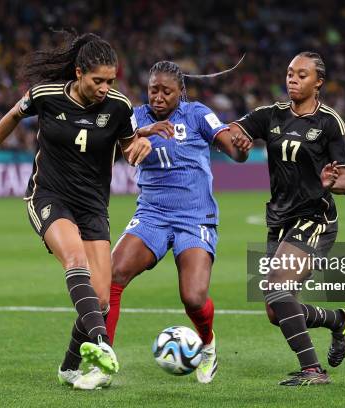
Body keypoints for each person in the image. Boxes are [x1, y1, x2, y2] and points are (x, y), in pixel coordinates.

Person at [0, 32, 152, 391]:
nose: (104, 88)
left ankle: (69, 368)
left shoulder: (119, 107)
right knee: (75, 260)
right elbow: (11, 117)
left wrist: (139, 148)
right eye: (97, 80)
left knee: (100, 299)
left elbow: (129, 148)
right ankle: (101, 345)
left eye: (110, 81)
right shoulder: (46, 95)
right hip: (49, 196)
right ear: (80, 72)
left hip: (93, 206)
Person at [105, 60, 253, 384]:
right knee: (112, 274)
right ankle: (102, 359)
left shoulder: (198, 114)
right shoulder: (135, 117)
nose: (158, 97)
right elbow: (123, 149)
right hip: (151, 215)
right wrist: (136, 142)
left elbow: (234, 150)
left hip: (195, 217)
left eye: (166, 92)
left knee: (193, 298)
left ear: (180, 92)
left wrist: (241, 149)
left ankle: (209, 344)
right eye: (153, 90)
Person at [230, 51, 345, 386]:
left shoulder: (330, 122)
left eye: (302, 75)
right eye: (289, 73)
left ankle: (313, 371)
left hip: (315, 219)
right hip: (280, 221)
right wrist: (239, 141)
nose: (293, 79)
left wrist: (332, 182)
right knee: (277, 311)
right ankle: (338, 320)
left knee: (276, 288)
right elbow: (234, 132)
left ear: (318, 83)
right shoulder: (271, 115)